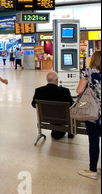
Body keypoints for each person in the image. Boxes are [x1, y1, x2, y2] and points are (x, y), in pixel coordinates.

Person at [76, 50, 101, 180]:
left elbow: (79, 90)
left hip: (93, 112)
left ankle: (92, 170)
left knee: (94, 140)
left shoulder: (88, 72)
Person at [31, 71, 75, 139]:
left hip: (46, 118)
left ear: (47, 80)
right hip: (63, 118)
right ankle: (69, 131)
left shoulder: (39, 91)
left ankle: (57, 131)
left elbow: (34, 104)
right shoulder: (64, 91)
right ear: (57, 80)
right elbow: (71, 104)